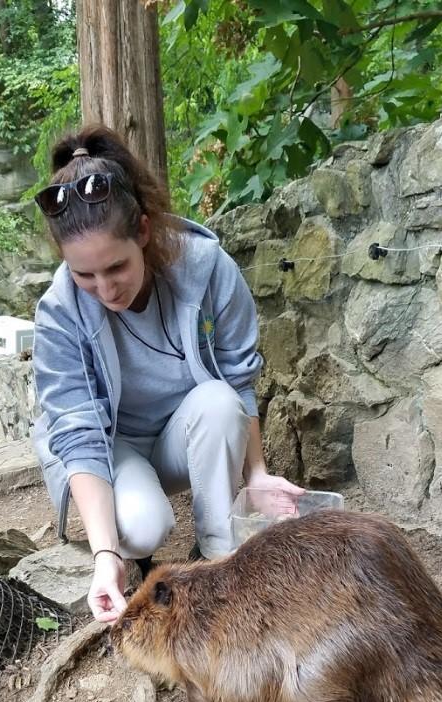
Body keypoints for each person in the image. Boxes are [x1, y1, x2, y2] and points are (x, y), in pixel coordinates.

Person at [31, 124, 303, 623]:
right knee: (142, 530)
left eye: (116, 268)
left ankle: (221, 560)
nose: (104, 289)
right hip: (111, 450)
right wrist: (105, 557)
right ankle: (130, 549)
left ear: (143, 232)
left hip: (181, 436)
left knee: (220, 399)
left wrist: (258, 475)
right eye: (83, 275)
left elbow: (239, 380)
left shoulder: (207, 267)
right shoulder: (58, 312)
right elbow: (79, 435)